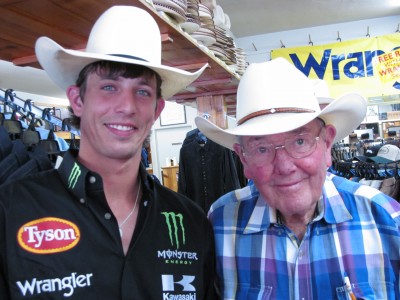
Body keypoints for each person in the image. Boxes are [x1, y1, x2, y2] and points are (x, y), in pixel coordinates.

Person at [0, 6, 217, 299]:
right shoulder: (11, 210)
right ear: (77, 100)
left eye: (142, 92)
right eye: (109, 87)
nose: (127, 107)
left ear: (157, 110)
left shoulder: (190, 221)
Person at [195, 57, 400, 299]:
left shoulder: (386, 219)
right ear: (244, 159)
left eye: (300, 141)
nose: (284, 166)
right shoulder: (220, 224)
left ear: (326, 144)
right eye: (262, 149)